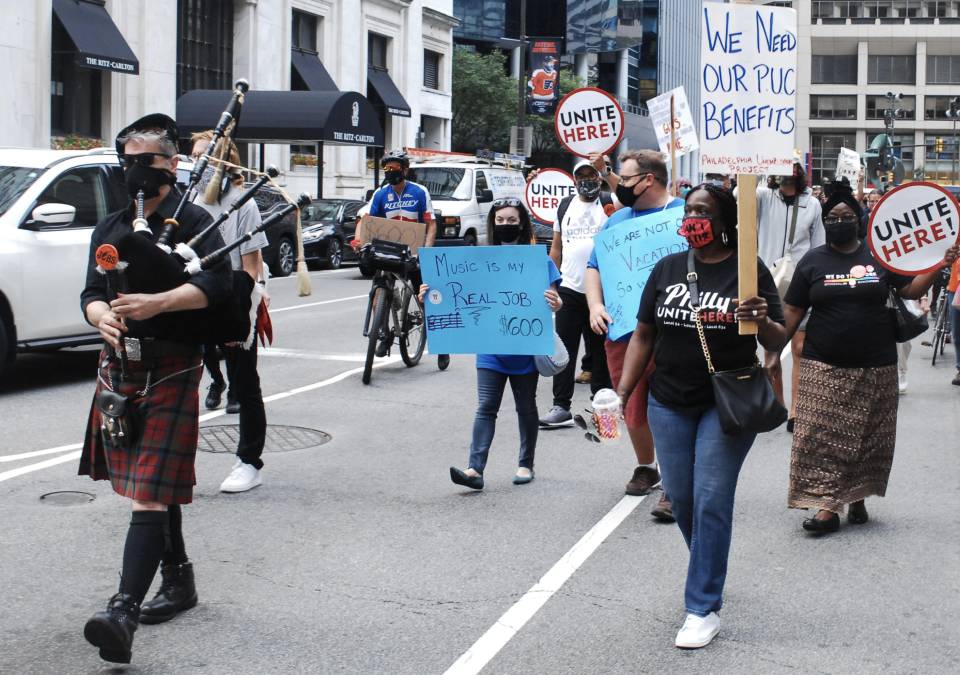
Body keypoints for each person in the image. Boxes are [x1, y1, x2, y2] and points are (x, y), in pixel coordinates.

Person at [78, 114, 232, 663]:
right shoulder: (113, 226)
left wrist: (158, 303)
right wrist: (102, 315)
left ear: (171, 164)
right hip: (121, 367)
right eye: (128, 160)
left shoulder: (195, 221)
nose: (136, 170)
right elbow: (92, 291)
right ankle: (180, 580)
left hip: (172, 363)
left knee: (148, 488)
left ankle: (122, 609)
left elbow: (217, 286)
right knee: (154, 484)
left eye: (147, 160)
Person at [617, 183, 786, 648]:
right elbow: (644, 335)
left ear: (726, 222)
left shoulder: (748, 270)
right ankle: (708, 568)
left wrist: (762, 317)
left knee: (711, 497)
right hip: (668, 401)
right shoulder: (667, 268)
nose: (693, 218)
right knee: (684, 500)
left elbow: (775, 342)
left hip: (726, 402)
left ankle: (702, 607)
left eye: (704, 212)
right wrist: (623, 392)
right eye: (689, 210)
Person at [777, 185, 959, 532]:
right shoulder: (813, 261)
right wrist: (773, 351)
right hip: (821, 363)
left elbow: (911, 291)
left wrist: (941, 263)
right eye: (832, 218)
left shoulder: (880, 255)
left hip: (875, 363)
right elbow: (793, 309)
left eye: (847, 217)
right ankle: (826, 507)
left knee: (865, 435)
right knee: (819, 435)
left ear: (859, 222)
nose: (839, 222)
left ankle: (857, 497)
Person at [419, 199, 562, 488]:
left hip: (524, 347)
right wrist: (429, 294)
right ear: (492, 224)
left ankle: (526, 463)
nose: (506, 225)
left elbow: (552, 302)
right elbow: (456, 295)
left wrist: (556, 303)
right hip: (491, 349)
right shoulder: (478, 258)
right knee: (486, 407)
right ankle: (475, 470)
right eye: (500, 220)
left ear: (522, 224)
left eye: (512, 220)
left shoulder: (539, 260)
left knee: (526, 407)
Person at [586, 149, 683, 516]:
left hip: (675, 332)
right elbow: (595, 267)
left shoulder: (684, 214)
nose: (619, 186)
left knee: (673, 409)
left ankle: (675, 486)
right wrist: (596, 305)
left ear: (649, 180)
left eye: (624, 179)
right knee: (633, 409)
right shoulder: (617, 221)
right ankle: (648, 466)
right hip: (625, 333)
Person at [190, 131, 271, 493]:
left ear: (225, 162)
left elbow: (252, 267)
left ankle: (249, 461)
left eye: (204, 156)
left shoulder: (243, 203)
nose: (197, 163)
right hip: (192, 299)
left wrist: (240, 309)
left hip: (233, 301)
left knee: (244, 383)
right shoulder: (187, 200)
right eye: (193, 155)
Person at [539, 159, 613, 427]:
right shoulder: (565, 206)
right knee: (563, 350)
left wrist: (605, 169)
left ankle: (602, 408)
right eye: (580, 176)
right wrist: (549, 284)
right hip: (568, 290)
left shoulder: (609, 203)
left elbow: (629, 201)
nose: (586, 180)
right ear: (574, 181)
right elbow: (556, 248)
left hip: (601, 293)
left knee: (601, 351)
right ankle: (561, 407)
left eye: (591, 175)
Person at [755, 162, 824, 432]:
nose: (785, 175)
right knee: (771, 346)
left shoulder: (813, 204)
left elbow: (818, 244)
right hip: (768, 280)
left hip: (801, 282)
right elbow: (739, 197)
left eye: (789, 168)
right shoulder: (763, 195)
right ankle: (779, 406)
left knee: (799, 348)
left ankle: (797, 409)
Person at [363, 150, 446, 369]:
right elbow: (367, 222)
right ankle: (382, 334)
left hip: (414, 254)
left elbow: (431, 225)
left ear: (405, 170)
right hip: (387, 252)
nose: (391, 172)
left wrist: (425, 254)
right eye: (387, 169)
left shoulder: (420, 192)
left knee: (426, 297)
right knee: (378, 293)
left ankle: (441, 344)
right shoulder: (380, 194)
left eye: (395, 169)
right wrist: (359, 243)